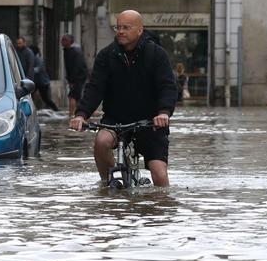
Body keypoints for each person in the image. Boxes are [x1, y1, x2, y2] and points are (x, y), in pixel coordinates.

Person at [69, 10, 179, 186]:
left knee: (159, 175)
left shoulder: (156, 54)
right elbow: (95, 88)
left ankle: (160, 208)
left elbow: (167, 87)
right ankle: (108, 183)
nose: (120, 31)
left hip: (151, 122)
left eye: (126, 28)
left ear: (139, 30)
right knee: (101, 141)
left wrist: (164, 113)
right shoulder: (106, 56)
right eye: (118, 27)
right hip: (115, 120)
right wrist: (81, 114)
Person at [60, 34, 88, 116]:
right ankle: (77, 114)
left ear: (70, 41)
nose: (62, 42)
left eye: (64, 40)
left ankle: (71, 115)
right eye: (62, 40)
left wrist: (72, 81)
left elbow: (77, 67)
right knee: (77, 97)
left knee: (72, 96)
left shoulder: (75, 52)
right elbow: (68, 67)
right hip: (74, 78)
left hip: (79, 77)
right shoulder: (66, 50)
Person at [28, 45, 60, 111]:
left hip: (43, 82)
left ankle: (56, 109)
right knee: (30, 96)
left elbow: (39, 69)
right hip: (37, 82)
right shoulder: (33, 57)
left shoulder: (37, 58)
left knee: (46, 98)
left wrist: (30, 71)